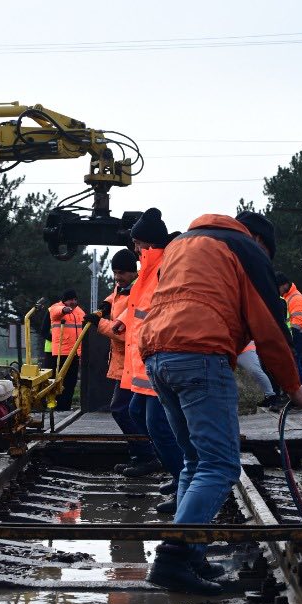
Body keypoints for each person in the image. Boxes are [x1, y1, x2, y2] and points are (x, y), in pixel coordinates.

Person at [140, 211, 302, 594]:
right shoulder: (245, 248)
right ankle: (173, 560)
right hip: (199, 354)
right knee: (220, 465)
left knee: (194, 462)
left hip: (156, 355)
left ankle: (192, 556)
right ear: (259, 241)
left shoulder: (184, 242)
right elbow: (269, 326)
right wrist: (294, 387)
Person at [111, 209, 183, 491]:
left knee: (158, 426)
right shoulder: (148, 272)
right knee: (137, 413)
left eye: (137, 243)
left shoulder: (163, 269)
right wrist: (118, 321)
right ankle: (178, 474)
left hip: (157, 360)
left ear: (148, 243)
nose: (135, 249)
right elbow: (137, 311)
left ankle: (182, 478)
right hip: (144, 363)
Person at [96, 248, 155, 468]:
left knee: (123, 410)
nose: (117, 277)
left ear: (133, 272)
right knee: (133, 411)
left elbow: (124, 332)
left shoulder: (137, 293)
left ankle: (147, 455)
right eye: (115, 272)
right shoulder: (123, 289)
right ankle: (142, 454)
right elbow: (117, 297)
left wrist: (98, 323)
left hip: (135, 362)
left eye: (121, 273)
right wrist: (106, 304)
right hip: (124, 362)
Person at [47, 289, 85, 410]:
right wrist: (64, 310)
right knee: (59, 382)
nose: (73, 302)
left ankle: (66, 407)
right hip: (60, 353)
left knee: (71, 382)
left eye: (75, 299)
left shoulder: (79, 311)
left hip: (74, 353)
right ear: (64, 300)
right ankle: (57, 406)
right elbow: (55, 312)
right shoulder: (56, 307)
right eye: (70, 300)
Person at [278, 272, 302, 385]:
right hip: (292, 338)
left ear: (284, 285)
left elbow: (296, 325)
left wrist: (291, 342)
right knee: (293, 367)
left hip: (297, 339)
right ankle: (297, 392)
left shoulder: (296, 299)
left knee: (296, 367)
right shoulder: (287, 297)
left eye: (277, 287)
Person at [236, 340, 278, 405]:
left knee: (255, 371)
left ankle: (270, 395)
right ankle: (270, 395)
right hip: (234, 349)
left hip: (244, 349)